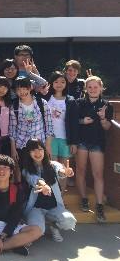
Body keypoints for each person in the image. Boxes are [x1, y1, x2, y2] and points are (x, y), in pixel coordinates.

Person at [22, 139, 76, 243]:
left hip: (53, 207)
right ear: (28, 153)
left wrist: (65, 172)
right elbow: (33, 179)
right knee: (39, 230)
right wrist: (43, 185)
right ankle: (36, 225)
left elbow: (60, 170)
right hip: (35, 208)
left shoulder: (53, 164)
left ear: (44, 151)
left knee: (69, 221)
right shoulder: (26, 170)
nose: (38, 153)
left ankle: (54, 226)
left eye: (40, 149)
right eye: (33, 150)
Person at [75, 76, 113, 222]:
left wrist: (103, 118)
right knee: (81, 171)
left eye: (95, 87)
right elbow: (72, 122)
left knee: (98, 174)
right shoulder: (79, 103)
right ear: (86, 89)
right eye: (89, 87)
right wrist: (82, 121)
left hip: (97, 142)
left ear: (101, 88)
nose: (92, 89)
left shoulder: (106, 105)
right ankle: (84, 199)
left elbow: (107, 127)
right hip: (82, 142)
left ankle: (99, 205)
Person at [9, 77, 54, 180]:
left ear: (30, 88)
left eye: (24, 88)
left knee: (41, 174)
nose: (22, 92)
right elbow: (12, 129)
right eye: (18, 89)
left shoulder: (42, 103)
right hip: (22, 145)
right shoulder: (14, 106)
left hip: (39, 145)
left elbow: (49, 126)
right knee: (23, 174)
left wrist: (47, 146)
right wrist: (13, 149)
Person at [45, 72, 79, 175]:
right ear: (51, 83)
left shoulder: (71, 100)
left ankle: (63, 187)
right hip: (50, 139)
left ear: (66, 84)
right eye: (56, 82)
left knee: (64, 170)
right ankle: (55, 187)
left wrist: (74, 142)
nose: (59, 84)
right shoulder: (46, 98)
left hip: (65, 139)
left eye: (62, 82)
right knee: (52, 168)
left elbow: (74, 123)